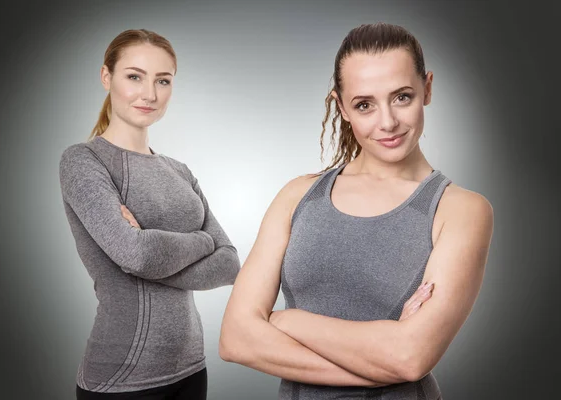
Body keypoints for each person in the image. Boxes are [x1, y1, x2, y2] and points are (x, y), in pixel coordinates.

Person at [219, 22, 493, 399]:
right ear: (342, 107)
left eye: (402, 97)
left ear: (427, 88)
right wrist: (381, 362)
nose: (387, 122)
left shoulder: (461, 210)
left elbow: (411, 357)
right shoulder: (298, 196)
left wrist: (288, 321)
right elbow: (236, 338)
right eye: (365, 104)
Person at [59, 29, 240, 400]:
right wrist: (203, 241)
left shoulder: (180, 171)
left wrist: (153, 251)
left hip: (191, 367)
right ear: (106, 77)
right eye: (134, 76)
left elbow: (229, 263)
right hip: (122, 378)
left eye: (163, 80)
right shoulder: (84, 161)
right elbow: (136, 254)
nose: (150, 94)